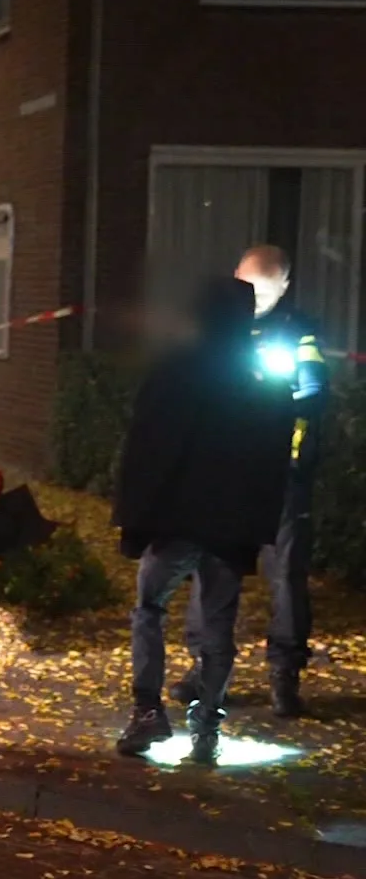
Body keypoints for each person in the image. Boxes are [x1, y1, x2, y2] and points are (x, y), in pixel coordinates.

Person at [115, 276, 294, 764]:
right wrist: (257, 527)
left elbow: (148, 448)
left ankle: (148, 711)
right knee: (219, 625)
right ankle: (207, 729)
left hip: (175, 523)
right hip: (229, 531)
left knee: (150, 609)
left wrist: (138, 519)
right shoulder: (258, 378)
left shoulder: (175, 369)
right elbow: (274, 458)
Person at [172, 246, 327, 717]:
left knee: (286, 576)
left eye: (264, 290)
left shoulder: (298, 330)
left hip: (283, 473)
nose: (254, 299)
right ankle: (204, 667)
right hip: (228, 474)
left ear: (284, 286)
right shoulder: (218, 328)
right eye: (247, 288)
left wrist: (269, 392)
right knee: (213, 571)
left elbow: (314, 391)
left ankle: (284, 674)